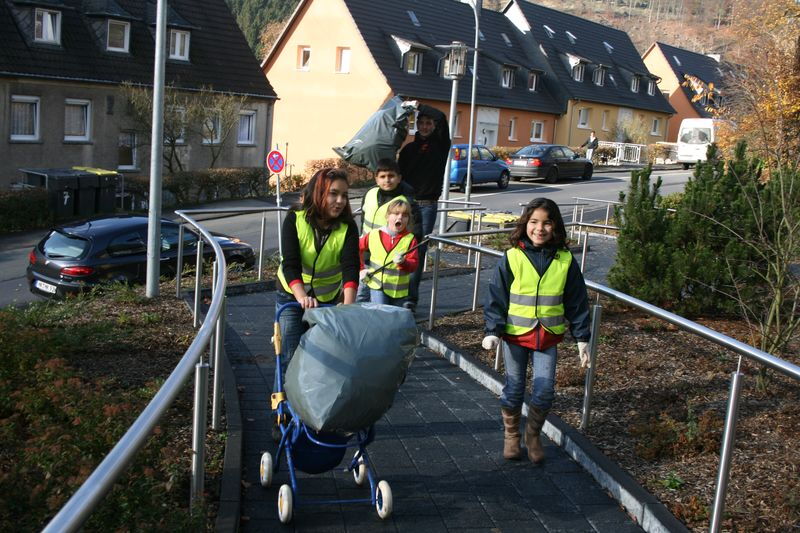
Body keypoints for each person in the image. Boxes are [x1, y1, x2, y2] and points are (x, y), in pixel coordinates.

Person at [482, 197, 591, 463]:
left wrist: (582, 338)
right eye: (534, 222)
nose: (539, 228)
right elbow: (497, 296)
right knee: (514, 388)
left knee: (544, 391)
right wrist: (492, 330)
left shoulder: (565, 260)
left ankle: (532, 434)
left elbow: (576, 300)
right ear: (525, 224)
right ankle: (511, 437)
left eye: (546, 223)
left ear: (555, 227)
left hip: (548, 337)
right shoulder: (512, 257)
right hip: (515, 335)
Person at [273, 168, 360, 438]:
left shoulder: (347, 227)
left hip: (327, 300)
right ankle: (282, 413)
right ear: (319, 193)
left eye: (344, 195)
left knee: (322, 359)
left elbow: (350, 270)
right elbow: (291, 264)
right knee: (288, 355)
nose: (340, 201)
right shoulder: (295, 218)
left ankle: (314, 412)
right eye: (333, 194)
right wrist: (301, 297)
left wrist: (347, 308)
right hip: (292, 295)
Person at [398, 105, 451, 311]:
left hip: (427, 206)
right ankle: (397, 293)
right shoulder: (409, 149)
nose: (425, 126)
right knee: (399, 249)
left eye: (429, 123)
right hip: (407, 204)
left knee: (417, 253)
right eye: (421, 122)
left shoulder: (441, 145)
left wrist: (418, 106)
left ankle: (410, 298)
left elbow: (442, 116)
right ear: (416, 125)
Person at [356, 158, 421, 302]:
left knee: (380, 301)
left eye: (391, 176)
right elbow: (363, 218)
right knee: (361, 293)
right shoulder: (370, 194)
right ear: (376, 179)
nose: (387, 180)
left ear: (399, 178)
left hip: (391, 257)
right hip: (367, 252)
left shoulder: (404, 201)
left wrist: (405, 256)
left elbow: (415, 229)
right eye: (383, 177)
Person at [358, 198, 419, 306]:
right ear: (387, 216)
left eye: (404, 215)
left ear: (408, 219)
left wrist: (404, 262)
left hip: (398, 291)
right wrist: (361, 269)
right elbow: (356, 249)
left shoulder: (410, 239)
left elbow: (414, 265)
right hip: (377, 286)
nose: (400, 217)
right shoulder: (374, 234)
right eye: (396, 213)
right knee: (381, 316)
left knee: (394, 319)